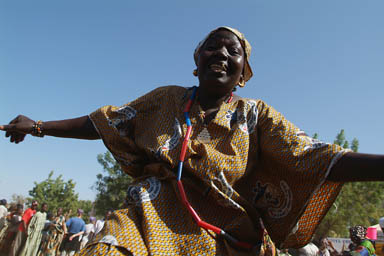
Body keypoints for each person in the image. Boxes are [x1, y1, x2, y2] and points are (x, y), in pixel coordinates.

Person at [1, 26, 384, 255]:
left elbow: (319, 157)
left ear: (242, 75)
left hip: (224, 237)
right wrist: (37, 126)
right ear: (197, 60)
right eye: (212, 47)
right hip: (147, 215)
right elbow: (105, 122)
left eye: (233, 51)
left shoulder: (255, 116)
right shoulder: (166, 99)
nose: (221, 53)